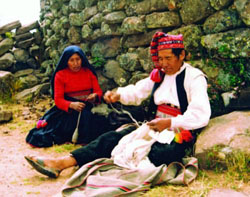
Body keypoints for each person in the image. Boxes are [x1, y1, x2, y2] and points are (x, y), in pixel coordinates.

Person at [25, 32, 211, 178]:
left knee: (160, 154)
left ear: (182, 55)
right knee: (111, 138)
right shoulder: (159, 75)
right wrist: (118, 95)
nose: (163, 63)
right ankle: (62, 163)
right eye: (160, 59)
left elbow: (201, 113)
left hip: (178, 131)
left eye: (168, 58)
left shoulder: (194, 77)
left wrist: (170, 124)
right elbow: (138, 91)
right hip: (155, 126)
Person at [26, 45, 113, 147]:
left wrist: (94, 96)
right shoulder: (60, 75)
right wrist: (71, 105)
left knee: (100, 123)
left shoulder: (88, 72)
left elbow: (98, 91)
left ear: (82, 59)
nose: (76, 63)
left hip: (87, 106)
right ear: (66, 61)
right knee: (60, 128)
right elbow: (58, 100)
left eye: (78, 59)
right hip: (68, 110)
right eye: (71, 60)